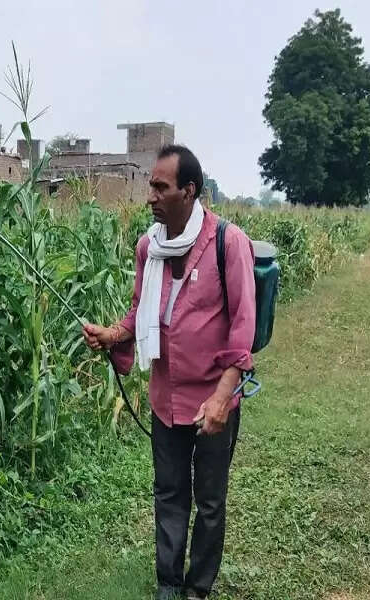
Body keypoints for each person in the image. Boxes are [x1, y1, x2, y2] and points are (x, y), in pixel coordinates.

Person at [82, 145, 256, 600]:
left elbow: (242, 327)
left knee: (211, 501)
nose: (150, 197)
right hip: (166, 396)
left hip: (214, 400)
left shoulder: (227, 242)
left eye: (160, 187)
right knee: (170, 494)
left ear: (188, 191)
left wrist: (221, 399)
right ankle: (168, 584)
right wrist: (114, 335)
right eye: (150, 186)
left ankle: (198, 588)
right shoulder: (149, 247)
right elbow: (142, 309)